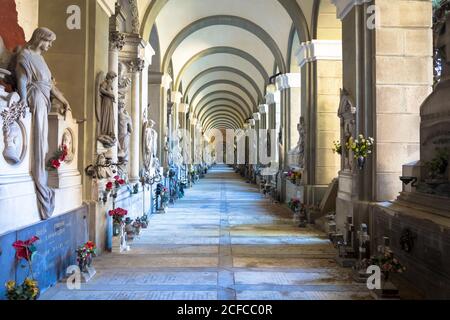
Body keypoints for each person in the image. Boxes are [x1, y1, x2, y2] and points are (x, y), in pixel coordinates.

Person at [15, 27, 70, 220]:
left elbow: (51, 85)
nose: (50, 46)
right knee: (40, 140)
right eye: (49, 42)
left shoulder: (41, 58)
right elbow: (22, 79)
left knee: (44, 143)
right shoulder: (25, 55)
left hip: (44, 98)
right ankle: (39, 179)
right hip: (35, 97)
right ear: (40, 39)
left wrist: (63, 100)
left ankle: (42, 178)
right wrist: (22, 100)